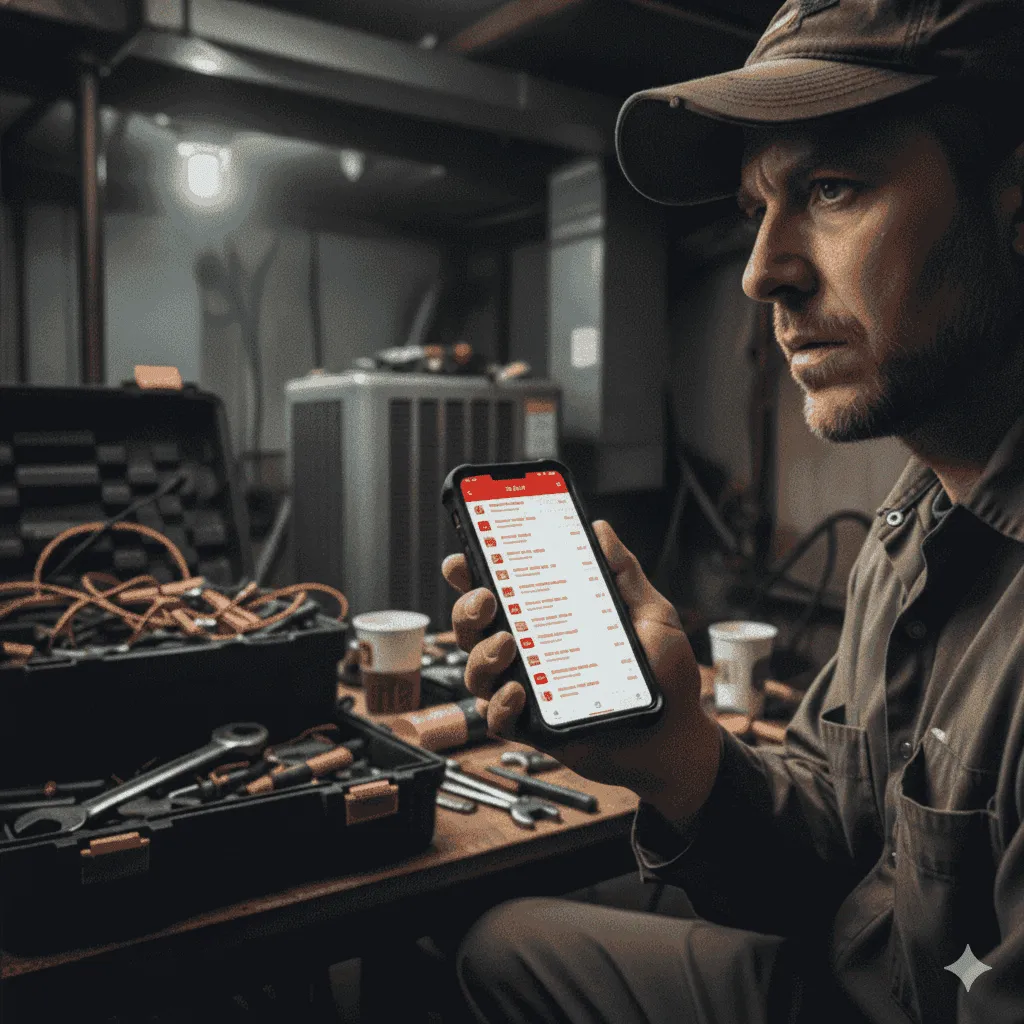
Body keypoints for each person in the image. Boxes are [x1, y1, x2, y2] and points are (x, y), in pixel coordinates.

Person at [440, 1, 1024, 1022]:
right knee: (504, 946)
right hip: (868, 973)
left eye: (831, 188)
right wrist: (676, 755)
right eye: (757, 208)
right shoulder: (915, 526)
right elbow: (836, 849)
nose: (762, 271)